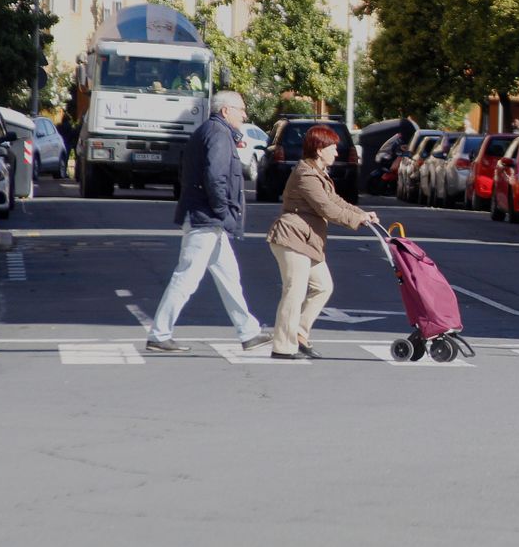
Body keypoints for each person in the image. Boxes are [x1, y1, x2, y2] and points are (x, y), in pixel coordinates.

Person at [145, 91, 271, 354]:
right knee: (186, 277)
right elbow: (215, 177)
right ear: (225, 111)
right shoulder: (218, 135)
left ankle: (249, 331)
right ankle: (159, 333)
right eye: (240, 109)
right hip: (206, 219)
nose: (244, 115)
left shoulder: (209, 131)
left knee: (230, 277)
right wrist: (222, 211)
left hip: (207, 218)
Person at [267, 124, 379, 360]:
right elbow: (326, 208)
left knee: (323, 286)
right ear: (319, 150)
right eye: (332, 148)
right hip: (292, 238)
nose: (336, 153)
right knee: (294, 292)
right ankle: (283, 347)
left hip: (307, 241)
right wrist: (356, 220)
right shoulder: (305, 175)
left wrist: (362, 213)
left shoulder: (317, 173)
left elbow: (335, 200)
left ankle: (298, 333)